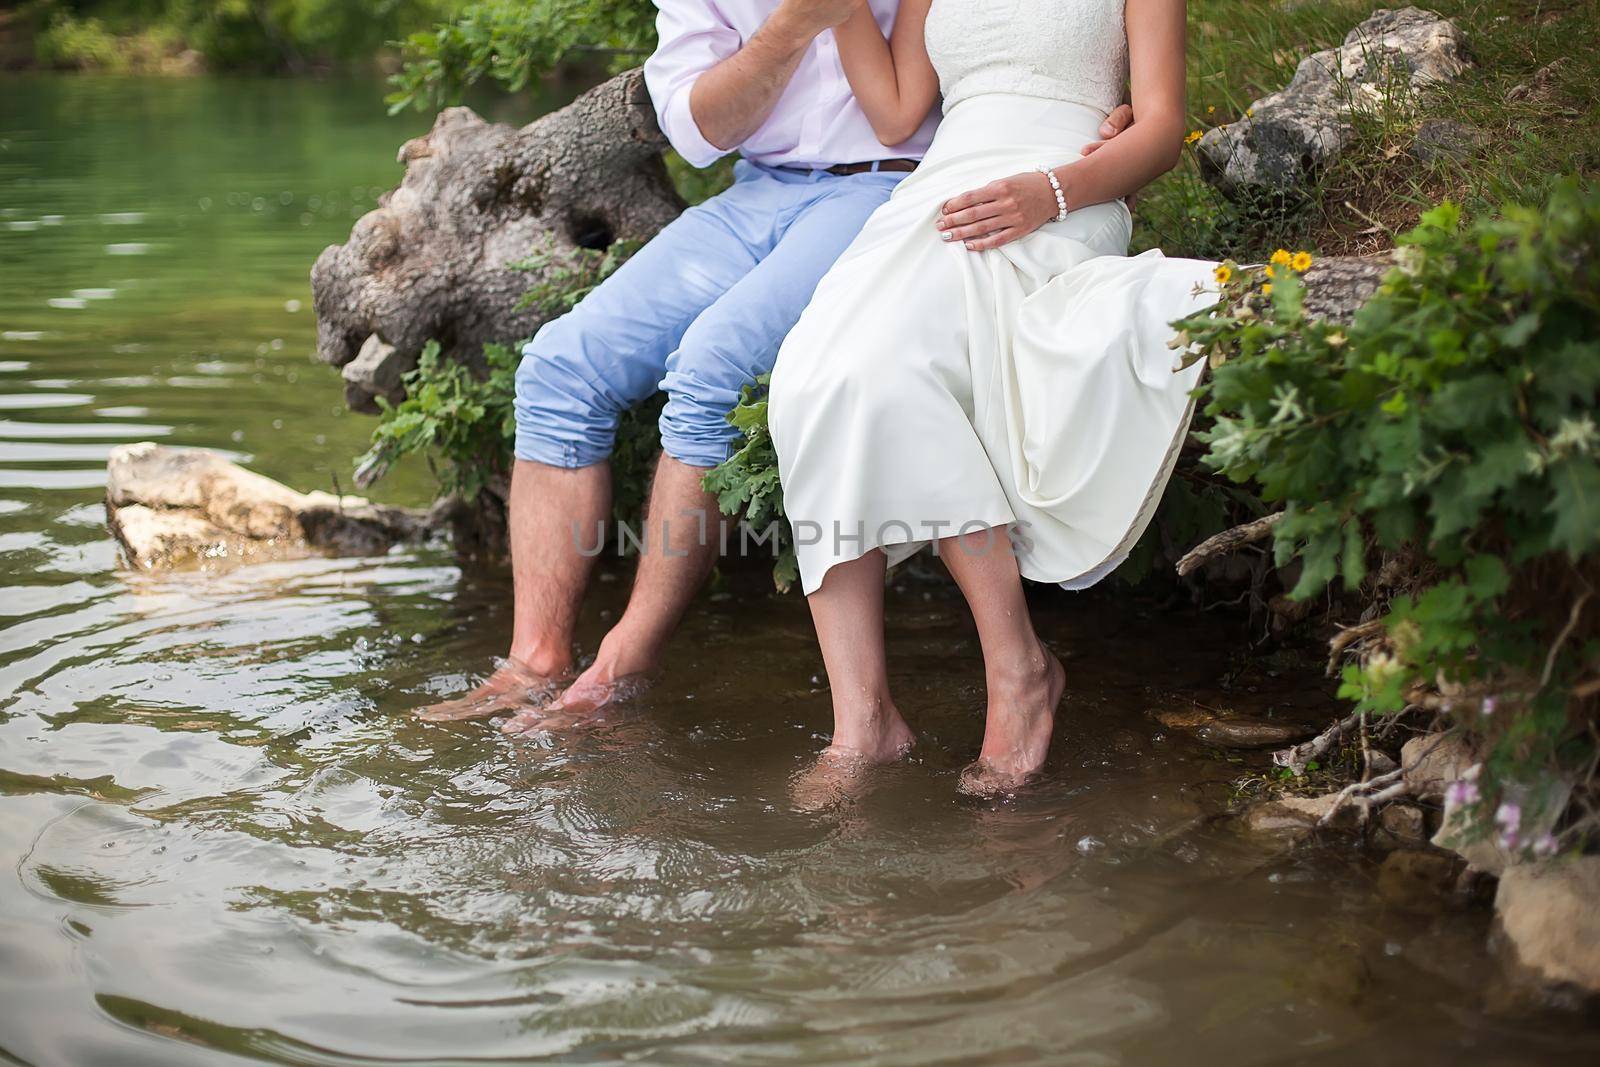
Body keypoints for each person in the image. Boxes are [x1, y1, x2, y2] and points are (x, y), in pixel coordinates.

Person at [417, 0, 1141, 728]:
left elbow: (1015, 42)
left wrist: (1106, 111)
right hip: (761, 188)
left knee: (711, 369)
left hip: (892, 184)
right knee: (556, 369)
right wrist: (792, 24)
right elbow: (699, 131)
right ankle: (534, 661)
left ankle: (621, 666)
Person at [768, 0, 1217, 798]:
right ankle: (863, 720)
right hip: (939, 194)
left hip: (1055, 193)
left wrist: (1053, 189)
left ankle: (1021, 673)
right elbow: (898, 110)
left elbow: (1160, 129)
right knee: (809, 371)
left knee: (898, 368)